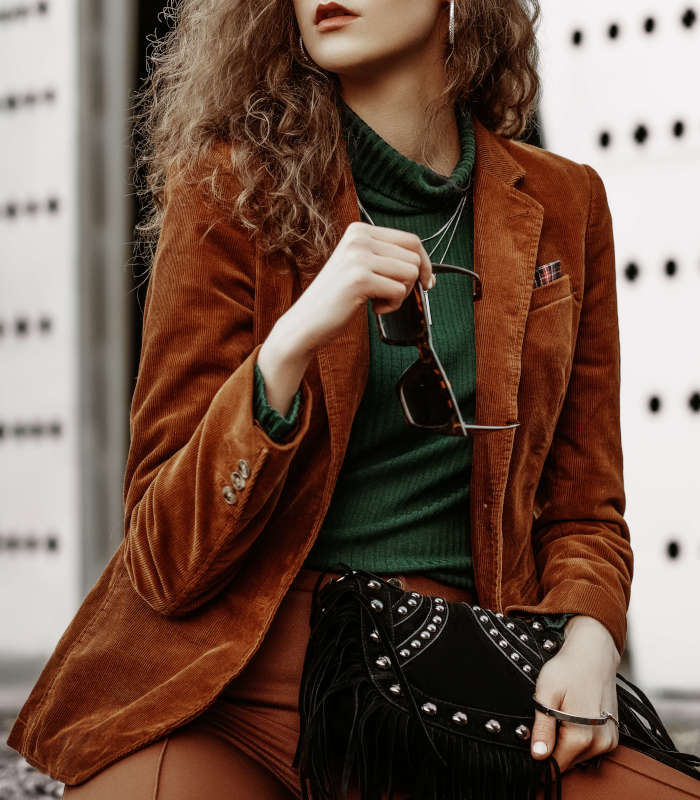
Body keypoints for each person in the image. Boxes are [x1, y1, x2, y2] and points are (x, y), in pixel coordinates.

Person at [6, 0, 700, 797]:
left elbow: (585, 510)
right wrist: (285, 353)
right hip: (234, 685)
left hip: (454, 678)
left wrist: (590, 638)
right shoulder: (229, 190)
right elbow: (164, 559)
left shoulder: (564, 203)